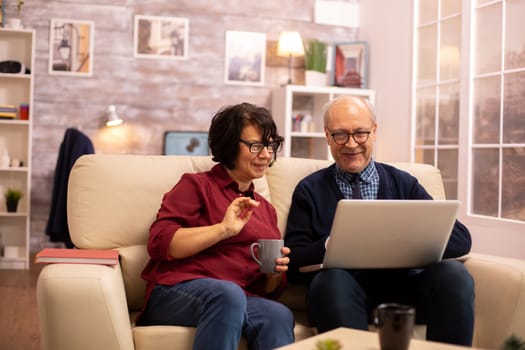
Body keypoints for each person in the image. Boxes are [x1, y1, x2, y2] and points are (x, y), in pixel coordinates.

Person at [284, 95, 474, 346]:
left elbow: (461, 240)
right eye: (340, 135)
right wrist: (333, 244)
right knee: (329, 282)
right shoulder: (309, 189)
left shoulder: (404, 183)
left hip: (408, 289)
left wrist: (404, 239)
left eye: (360, 133)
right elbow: (293, 259)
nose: (351, 144)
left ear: (374, 131)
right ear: (328, 136)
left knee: (454, 274)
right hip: (342, 291)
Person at [137, 102, 295, 350]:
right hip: (175, 291)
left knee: (278, 315)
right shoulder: (196, 186)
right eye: (256, 146)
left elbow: (269, 289)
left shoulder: (265, 209)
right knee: (228, 295)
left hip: (239, 298)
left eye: (270, 145)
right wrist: (223, 229)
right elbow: (160, 243)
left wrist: (275, 271)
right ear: (230, 145)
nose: (265, 154)